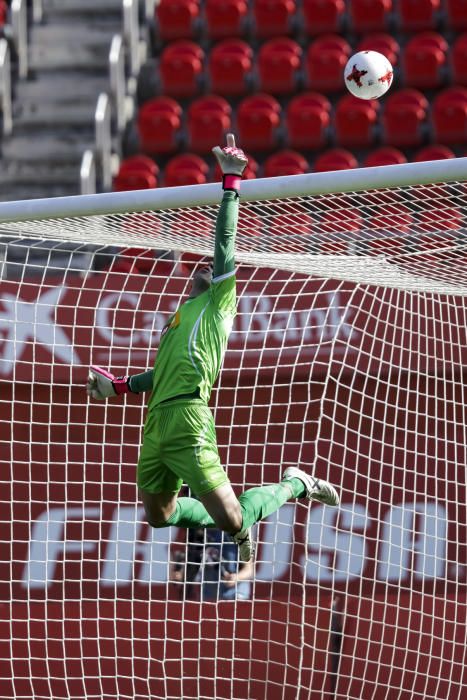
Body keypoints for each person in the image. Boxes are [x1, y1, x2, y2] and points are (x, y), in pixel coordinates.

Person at [86, 134, 339, 563]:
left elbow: (224, 245)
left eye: (211, 266)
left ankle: (294, 484)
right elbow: (159, 373)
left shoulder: (218, 304)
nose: (204, 264)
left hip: (189, 417)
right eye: (196, 265)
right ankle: (243, 517)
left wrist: (231, 182)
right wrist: (122, 387)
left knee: (232, 521)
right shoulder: (179, 315)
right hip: (156, 422)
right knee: (160, 516)